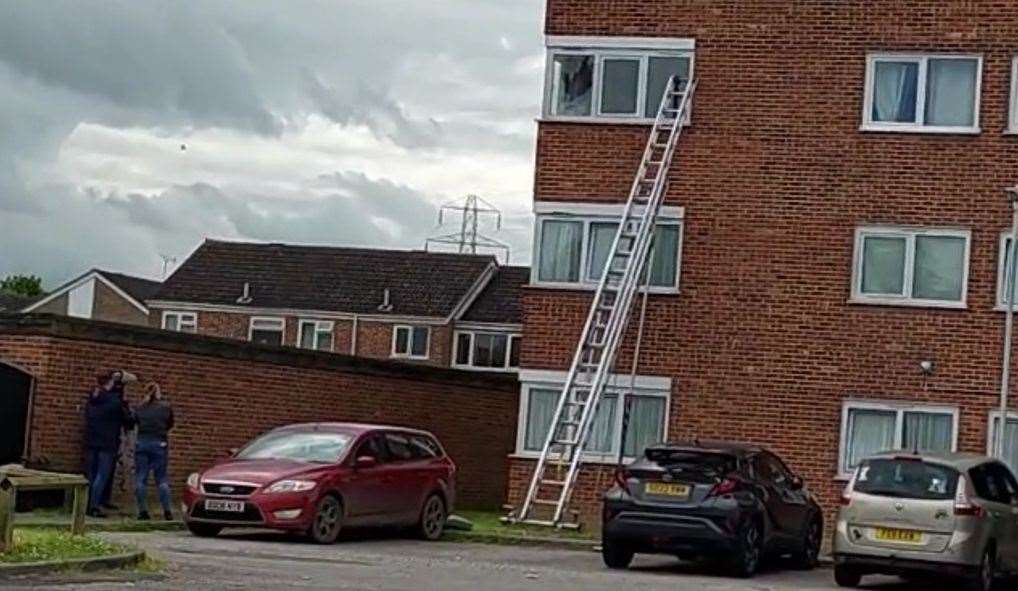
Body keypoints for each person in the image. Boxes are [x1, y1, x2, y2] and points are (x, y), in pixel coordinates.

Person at [84, 370, 135, 518]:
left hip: (92, 440)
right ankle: (94, 506)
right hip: (108, 442)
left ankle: (89, 503)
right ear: (110, 382)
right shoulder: (115, 402)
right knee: (102, 475)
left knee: (92, 475)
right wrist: (126, 404)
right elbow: (129, 421)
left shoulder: (93, 398)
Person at [133, 382, 175, 520]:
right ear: (158, 392)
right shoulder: (165, 408)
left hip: (142, 442)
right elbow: (170, 424)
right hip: (159, 443)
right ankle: (167, 511)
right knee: (161, 479)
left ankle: (143, 511)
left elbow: (134, 421)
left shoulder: (140, 408)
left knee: (141, 478)